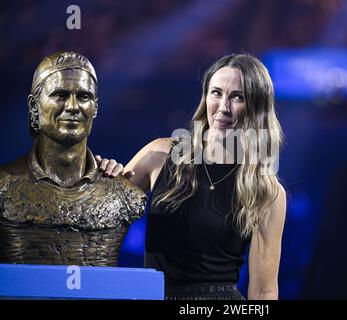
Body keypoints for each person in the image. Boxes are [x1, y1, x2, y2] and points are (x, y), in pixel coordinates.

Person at [97, 54, 286, 299]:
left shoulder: (266, 191)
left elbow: (264, 290)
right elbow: (98, 213)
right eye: (216, 93)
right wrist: (103, 176)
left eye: (237, 97)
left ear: (257, 107)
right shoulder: (160, 154)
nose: (223, 107)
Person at [0, 51, 147, 266]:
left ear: (95, 107)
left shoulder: (125, 195)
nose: (72, 106)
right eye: (60, 95)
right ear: (34, 106)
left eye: (83, 97)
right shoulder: (3, 188)